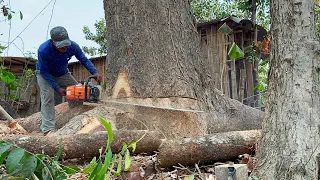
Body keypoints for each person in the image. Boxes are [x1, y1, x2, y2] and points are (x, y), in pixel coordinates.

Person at [36, 26, 102, 135]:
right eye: (61, 47)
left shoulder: (73, 46)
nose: (64, 48)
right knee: (47, 97)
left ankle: (75, 118)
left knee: (78, 93)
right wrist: (57, 88)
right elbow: (44, 72)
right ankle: (48, 129)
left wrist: (94, 72)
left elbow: (83, 59)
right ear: (52, 42)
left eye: (66, 45)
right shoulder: (43, 50)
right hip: (45, 74)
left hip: (63, 73)